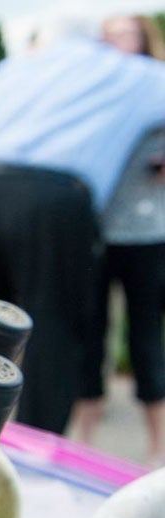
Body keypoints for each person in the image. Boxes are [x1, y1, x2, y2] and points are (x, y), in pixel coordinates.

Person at [0, 22, 165, 435]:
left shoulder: (16, 67)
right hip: (51, 200)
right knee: (50, 343)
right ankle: (33, 470)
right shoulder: (127, 72)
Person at [71, 15, 165, 465]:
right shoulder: (94, 96)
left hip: (148, 232)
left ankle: (157, 446)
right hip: (97, 231)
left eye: (125, 32)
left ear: (144, 39)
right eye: (107, 34)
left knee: (146, 335)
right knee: (89, 334)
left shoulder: (159, 88)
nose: (116, 41)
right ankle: (83, 439)